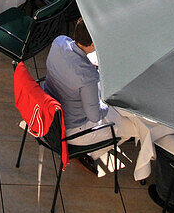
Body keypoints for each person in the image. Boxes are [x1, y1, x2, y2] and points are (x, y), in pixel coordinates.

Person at [43, 17, 120, 171]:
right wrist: (107, 104)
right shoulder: (88, 76)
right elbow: (95, 115)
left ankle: (88, 153)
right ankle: (89, 153)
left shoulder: (59, 42)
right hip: (70, 128)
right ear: (92, 44)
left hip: (49, 110)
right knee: (125, 125)